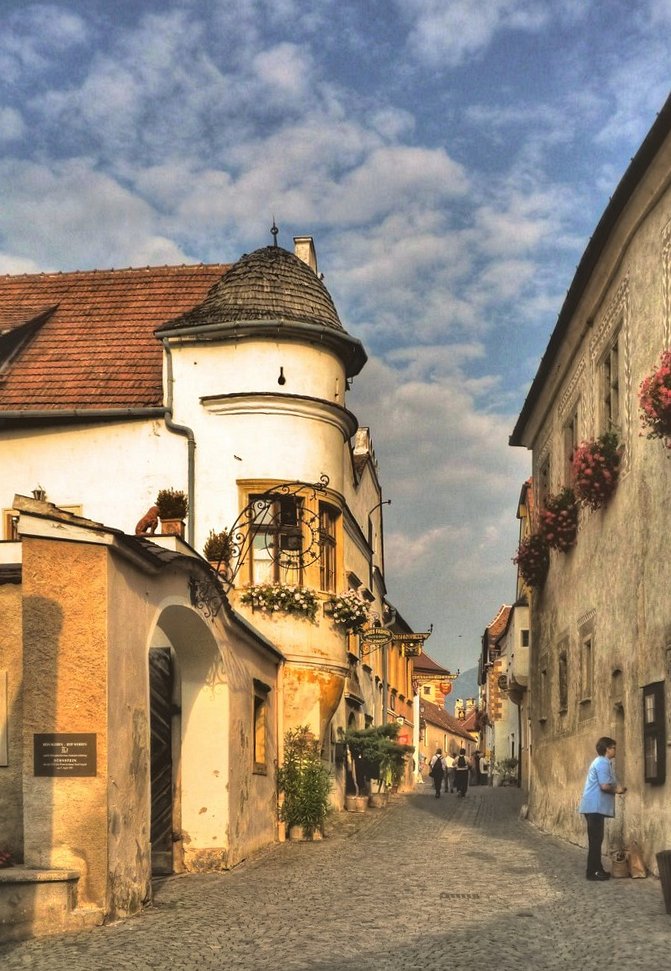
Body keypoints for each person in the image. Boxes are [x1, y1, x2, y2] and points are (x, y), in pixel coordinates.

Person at [578, 736, 627, 881]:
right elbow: (604, 786)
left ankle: (597, 869)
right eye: (613, 747)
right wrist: (617, 790)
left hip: (594, 807)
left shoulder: (602, 762)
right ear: (607, 749)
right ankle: (592, 872)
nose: (615, 750)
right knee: (595, 841)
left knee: (596, 840)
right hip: (594, 807)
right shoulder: (602, 763)